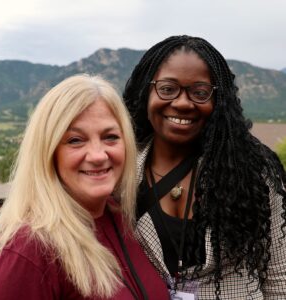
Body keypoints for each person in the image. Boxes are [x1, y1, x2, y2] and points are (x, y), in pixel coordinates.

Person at [122, 35, 286, 299]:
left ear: (218, 100)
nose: (183, 103)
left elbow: (279, 277)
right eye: (167, 88)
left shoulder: (255, 171)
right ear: (146, 91)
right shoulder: (121, 170)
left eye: (200, 92)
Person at [0, 74, 169, 299]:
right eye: (75, 140)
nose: (98, 155)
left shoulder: (122, 217)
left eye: (110, 137)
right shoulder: (33, 249)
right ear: (48, 153)